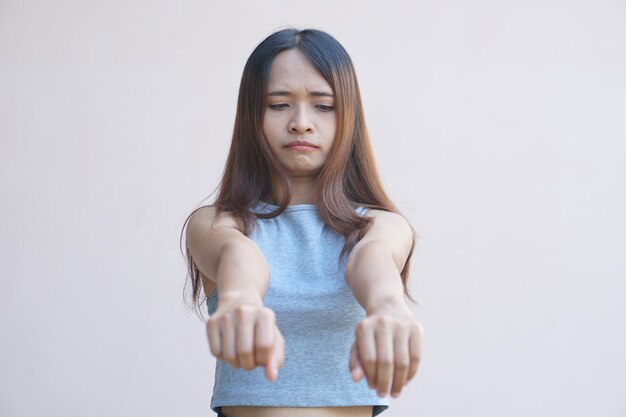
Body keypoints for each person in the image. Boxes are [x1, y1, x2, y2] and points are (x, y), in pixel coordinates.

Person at [181, 28, 424, 417]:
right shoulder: (216, 223)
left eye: (323, 106)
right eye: (279, 105)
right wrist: (240, 299)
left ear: (348, 117)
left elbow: (373, 260)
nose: (301, 123)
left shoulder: (383, 226)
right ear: (251, 115)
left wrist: (389, 305)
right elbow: (237, 255)